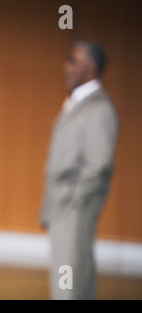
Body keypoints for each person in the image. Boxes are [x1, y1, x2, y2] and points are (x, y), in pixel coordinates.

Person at [40, 41, 119, 299]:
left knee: (68, 285)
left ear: (91, 68)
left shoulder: (99, 108)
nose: (66, 67)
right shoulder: (77, 102)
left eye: (72, 60)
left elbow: (99, 164)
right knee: (76, 282)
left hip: (75, 207)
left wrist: (72, 201)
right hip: (65, 205)